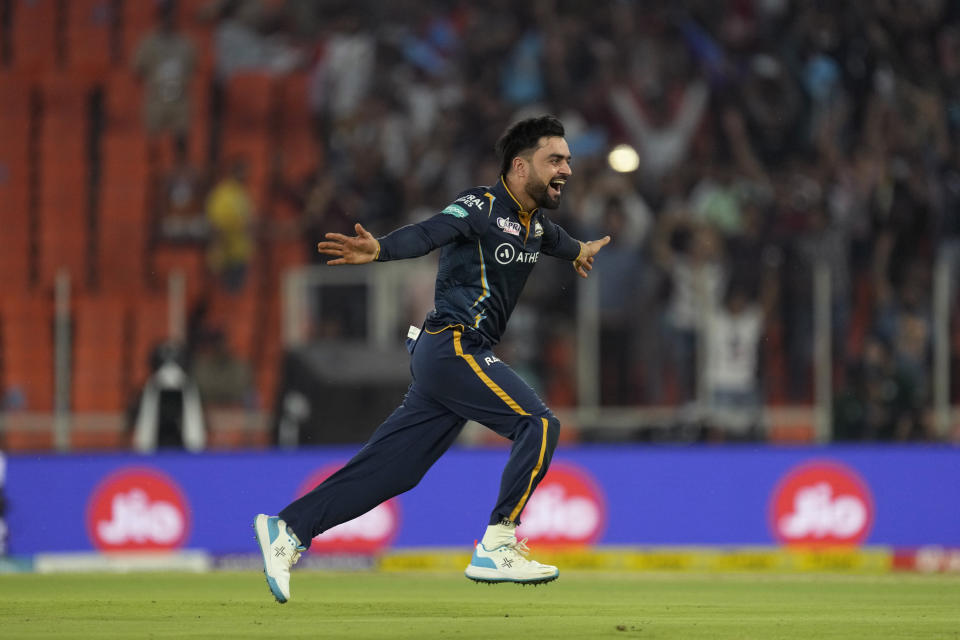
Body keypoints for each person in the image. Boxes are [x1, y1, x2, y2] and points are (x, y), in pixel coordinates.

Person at [254, 115, 611, 603]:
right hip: (452, 346)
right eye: (556, 159)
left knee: (395, 470)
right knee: (540, 424)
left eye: (568, 159)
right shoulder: (480, 205)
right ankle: (499, 542)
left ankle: (288, 529)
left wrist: (579, 252)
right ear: (519, 166)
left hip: (449, 360)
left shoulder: (536, 227)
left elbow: (558, 242)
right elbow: (430, 232)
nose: (567, 169)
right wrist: (380, 249)